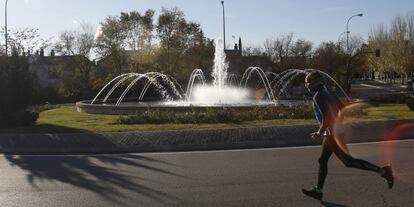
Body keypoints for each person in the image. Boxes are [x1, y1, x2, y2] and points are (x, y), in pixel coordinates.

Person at [301, 71, 394, 200]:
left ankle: (383, 171)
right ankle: (318, 190)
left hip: (333, 134)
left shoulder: (318, 96)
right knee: (322, 160)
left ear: (315, 83)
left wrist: (320, 132)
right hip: (334, 132)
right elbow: (341, 108)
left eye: (308, 82)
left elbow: (327, 116)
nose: (307, 85)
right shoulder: (329, 92)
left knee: (348, 162)